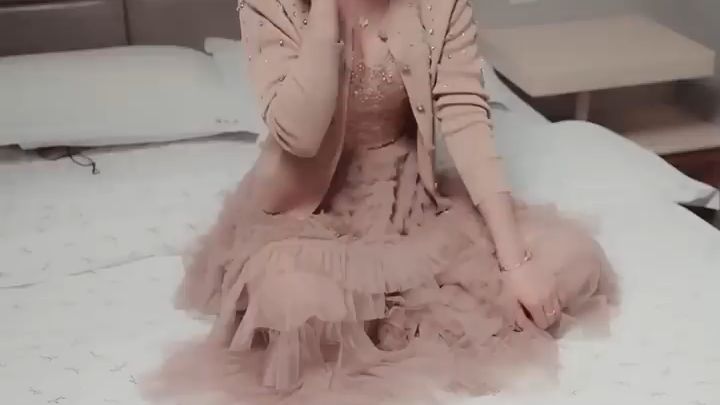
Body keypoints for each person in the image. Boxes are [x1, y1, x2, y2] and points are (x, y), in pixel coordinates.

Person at [146, 0, 614, 403]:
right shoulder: (272, 5)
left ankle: (389, 312)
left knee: (568, 259)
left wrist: (516, 263)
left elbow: (466, 118)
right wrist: (325, 14)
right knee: (297, 306)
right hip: (308, 210)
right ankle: (371, 313)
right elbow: (299, 135)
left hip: (410, 199)